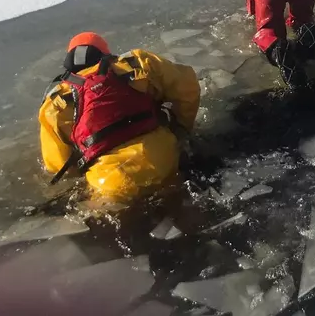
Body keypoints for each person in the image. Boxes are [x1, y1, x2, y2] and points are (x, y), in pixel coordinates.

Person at [39, 32, 200, 203]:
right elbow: (188, 87)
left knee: (116, 219)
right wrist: (182, 128)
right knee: (181, 203)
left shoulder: (55, 103)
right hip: (163, 157)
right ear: (105, 53)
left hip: (111, 181)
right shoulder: (137, 63)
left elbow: (57, 165)